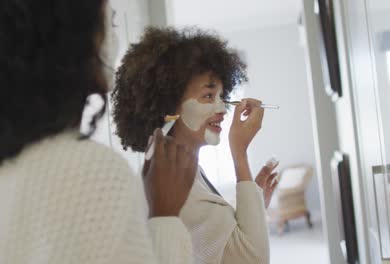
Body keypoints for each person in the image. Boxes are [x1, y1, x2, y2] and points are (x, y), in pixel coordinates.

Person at [0, 1, 197, 263]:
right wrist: (165, 218)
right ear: (76, 39)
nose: (116, 42)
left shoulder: (12, 169)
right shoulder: (89, 172)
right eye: (110, 24)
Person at [112, 27, 279, 264]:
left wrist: (254, 204)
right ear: (169, 107)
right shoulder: (174, 185)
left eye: (222, 97)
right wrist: (240, 154)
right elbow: (253, 259)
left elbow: (222, 238)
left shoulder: (179, 168)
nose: (222, 109)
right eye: (208, 96)